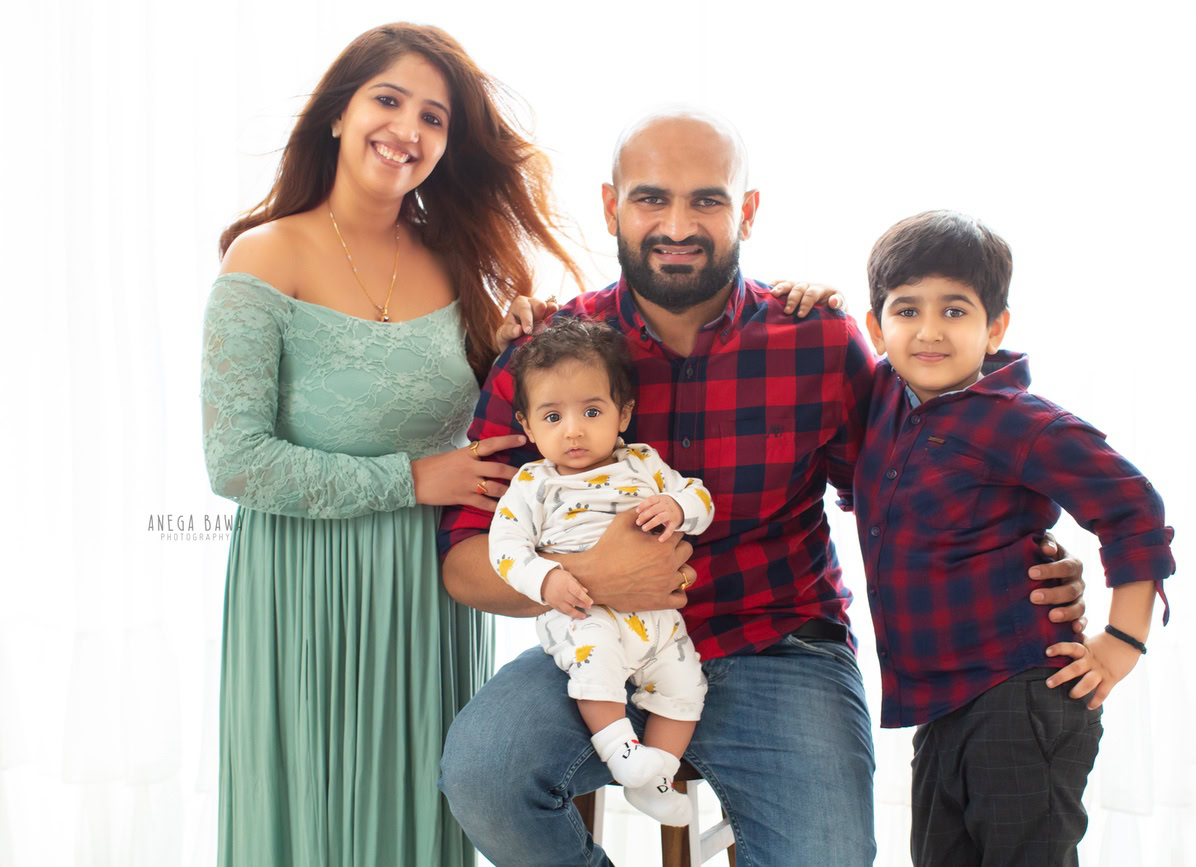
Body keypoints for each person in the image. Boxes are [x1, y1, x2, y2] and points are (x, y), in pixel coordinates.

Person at [435, 110, 1089, 865]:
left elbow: (911, 489)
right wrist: (591, 576)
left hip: (780, 644)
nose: (677, 224)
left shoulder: (815, 337)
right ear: (613, 206)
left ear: (746, 210)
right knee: (483, 774)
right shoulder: (548, 354)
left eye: (707, 200)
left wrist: (1017, 561)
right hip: (596, 645)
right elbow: (463, 561)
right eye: (652, 199)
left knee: (830, 854)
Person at [201, 23, 581, 866]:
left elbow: (519, 439)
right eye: (387, 99)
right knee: (311, 819)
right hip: (301, 588)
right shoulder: (264, 258)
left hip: (427, 587)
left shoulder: (460, 264)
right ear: (338, 115)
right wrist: (413, 479)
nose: (407, 129)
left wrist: (525, 346)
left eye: (434, 117)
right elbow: (236, 461)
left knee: (415, 816)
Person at [856, 210, 1175, 866]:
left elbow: (1132, 506)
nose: (929, 330)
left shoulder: (1019, 422)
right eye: (907, 309)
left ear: (994, 326)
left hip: (1021, 694)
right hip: (941, 701)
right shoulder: (886, 407)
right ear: (876, 327)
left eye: (954, 310)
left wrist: (1122, 640)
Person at [489, 315, 715, 826]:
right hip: (581, 610)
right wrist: (547, 580)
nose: (573, 430)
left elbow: (698, 494)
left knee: (686, 685)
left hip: (657, 616)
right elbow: (504, 549)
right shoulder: (532, 485)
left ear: (623, 413)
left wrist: (679, 509)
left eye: (591, 410)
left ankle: (656, 779)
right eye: (552, 418)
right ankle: (622, 753)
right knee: (597, 667)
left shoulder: (643, 463)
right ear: (526, 425)